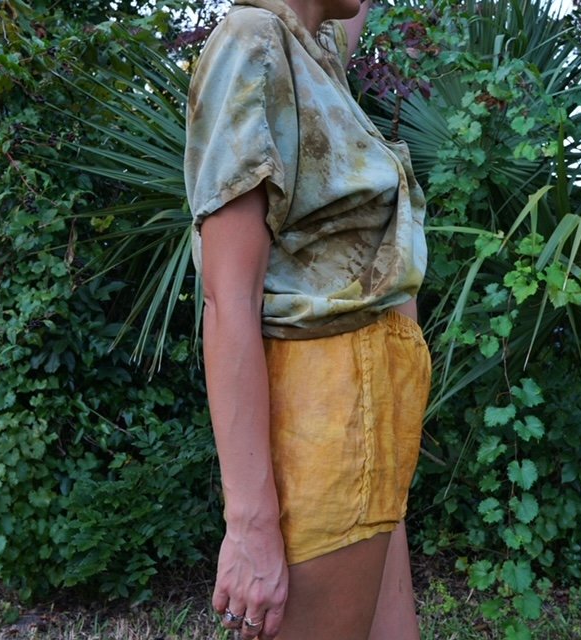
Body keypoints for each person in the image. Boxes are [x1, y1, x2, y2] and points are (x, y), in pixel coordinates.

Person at [184, 0, 431, 638]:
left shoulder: (313, 54)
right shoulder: (253, 43)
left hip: (372, 421)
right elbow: (228, 299)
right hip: (326, 424)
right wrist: (250, 524)